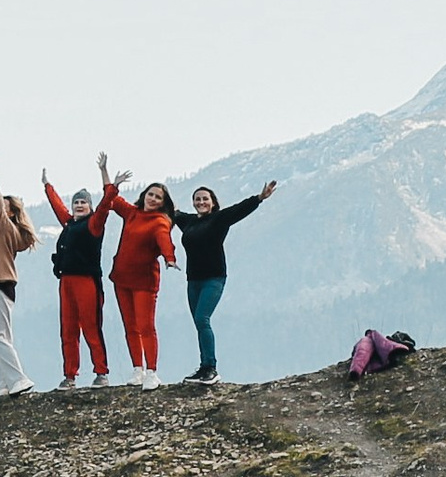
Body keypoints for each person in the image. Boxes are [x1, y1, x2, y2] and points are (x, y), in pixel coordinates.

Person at [171, 181, 277, 386]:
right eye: (197, 199)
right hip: (193, 280)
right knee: (198, 323)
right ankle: (203, 368)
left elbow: (239, 209)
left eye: (205, 199)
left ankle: (211, 369)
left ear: (212, 202)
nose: (201, 202)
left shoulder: (219, 219)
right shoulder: (189, 222)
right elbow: (173, 212)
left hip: (214, 278)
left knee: (202, 318)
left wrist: (259, 198)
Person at [102, 163, 179, 389]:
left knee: (146, 326)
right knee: (130, 326)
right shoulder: (132, 213)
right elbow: (112, 199)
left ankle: (152, 372)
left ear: (163, 203)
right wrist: (107, 174)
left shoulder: (160, 221)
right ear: (144, 195)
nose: (153, 199)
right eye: (150, 194)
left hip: (144, 282)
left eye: (158, 197)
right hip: (122, 278)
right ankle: (138, 369)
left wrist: (169, 258)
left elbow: (164, 239)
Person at [44, 154, 115, 388]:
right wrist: (47, 186)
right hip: (66, 281)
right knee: (68, 329)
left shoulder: (93, 224)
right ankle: (69, 375)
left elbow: (105, 206)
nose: (79, 205)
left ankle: (101, 372)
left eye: (83, 202)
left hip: (87, 281)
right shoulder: (70, 224)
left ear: (90, 206)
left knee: (91, 327)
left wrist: (108, 181)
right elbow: (58, 207)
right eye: (76, 202)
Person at [0, 154, 40, 397]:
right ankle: (5, 383)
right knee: (1, 336)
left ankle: (18, 379)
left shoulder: (5, 228)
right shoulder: (3, 234)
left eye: (4, 207)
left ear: (11, 213)